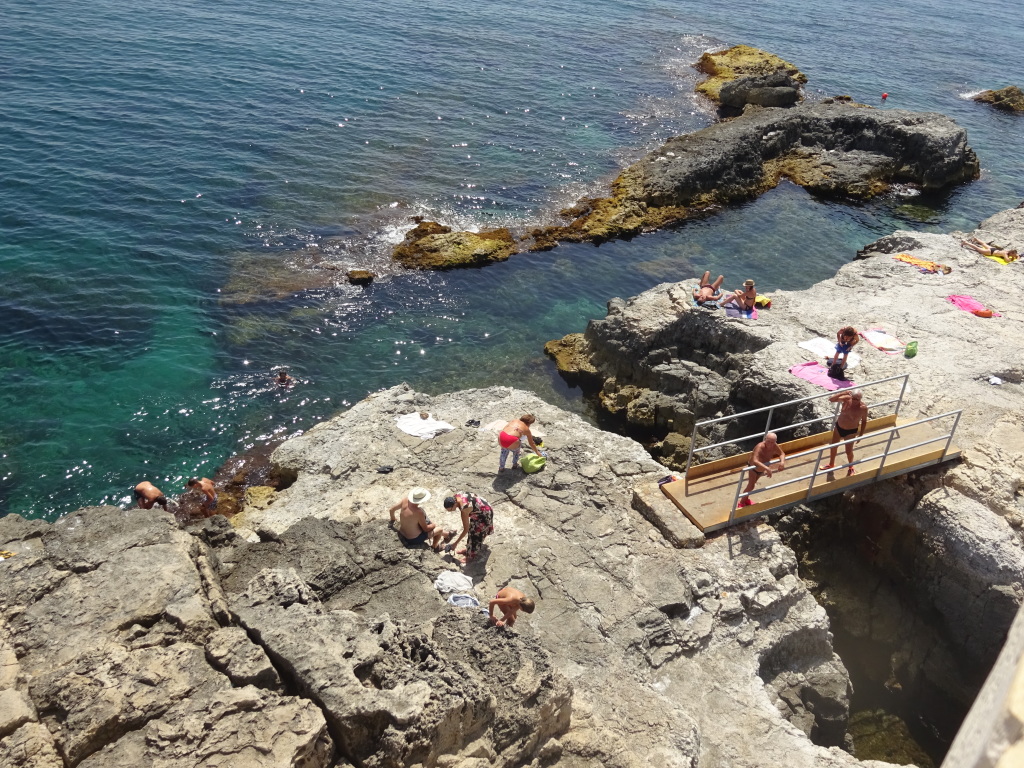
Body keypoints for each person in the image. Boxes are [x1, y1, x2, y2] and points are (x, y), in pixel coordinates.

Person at [820, 390, 869, 476]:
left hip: (851, 431)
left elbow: (864, 421)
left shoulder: (863, 408)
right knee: (833, 446)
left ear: (860, 399)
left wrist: (861, 434)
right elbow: (831, 399)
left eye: (856, 399)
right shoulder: (846, 400)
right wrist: (843, 393)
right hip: (839, 427)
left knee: (848, 451)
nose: (854, 401)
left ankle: (851, 467)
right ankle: (831, 464)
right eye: (853, 398)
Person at [443, 492, 495, 564]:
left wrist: (455, 543)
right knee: (472, 530)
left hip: (484, 514)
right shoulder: (456, 497)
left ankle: (470, 556)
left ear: (454, 504)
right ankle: (469, 549)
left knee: (475, 535)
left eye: (451, 509)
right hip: (481, 507)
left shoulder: (464, 509)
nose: (451, 511)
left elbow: (465, 529)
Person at [738, 433, 786, 508]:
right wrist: (767, 468)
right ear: (765, 439)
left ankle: (746, 499)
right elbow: (755, 460)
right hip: (753, 468)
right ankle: (741, 502)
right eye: (768, 441)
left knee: (752, 485)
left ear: (775, 441)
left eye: (772, 442)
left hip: (761, 470)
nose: (770, 444)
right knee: (751, 486)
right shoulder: (760, 447)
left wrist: (782, 462)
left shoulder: (774, 445)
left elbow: (782, 454)